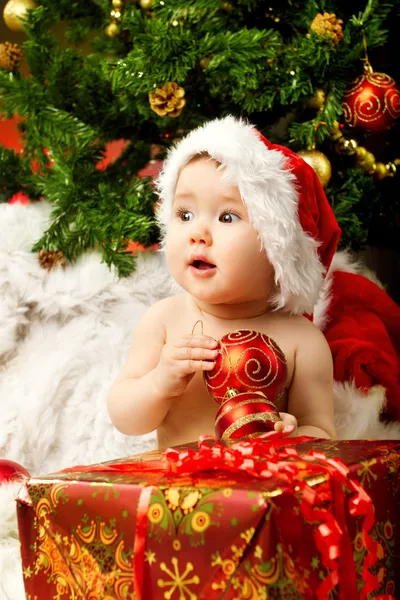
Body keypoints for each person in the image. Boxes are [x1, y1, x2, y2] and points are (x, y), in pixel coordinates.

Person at [107, 116, 341, 448]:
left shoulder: (301, 339)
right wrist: (159, 382)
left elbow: (323, 434)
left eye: (227, 217)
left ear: (279, 247)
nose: (197, 234)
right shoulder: (165, 320)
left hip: (258, 495)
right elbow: (124, 418)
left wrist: (288, 437)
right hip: (175, 494)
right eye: (185, 214)